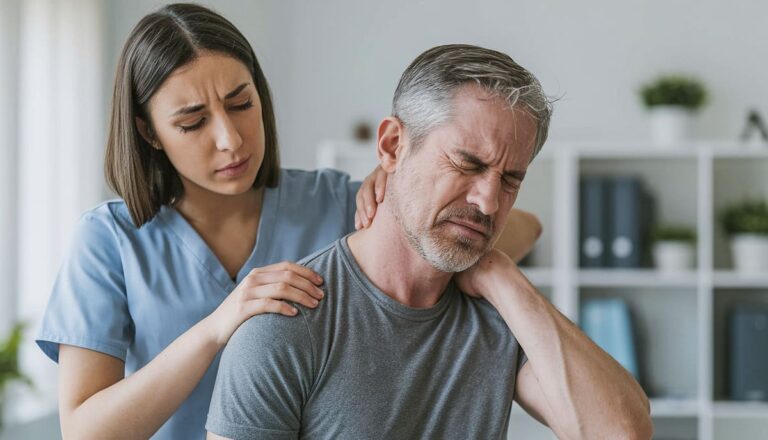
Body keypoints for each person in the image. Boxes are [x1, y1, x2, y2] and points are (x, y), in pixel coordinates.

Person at [35, 5, 542, 440]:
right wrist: (215, 329)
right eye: (193, 122)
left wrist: (405, 182)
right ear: (148, 132)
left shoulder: (334, 202)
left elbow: (520, 228)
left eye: (241, 104)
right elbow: (85, 430)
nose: (231, 139)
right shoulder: (108, 239)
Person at [206, 44, 653, 440]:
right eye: (467, 164)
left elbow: (621, 433)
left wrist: (501, 275)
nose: (489, 201)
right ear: (392, 146)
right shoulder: (287, 323)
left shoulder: (499, 315)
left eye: (510, 180)